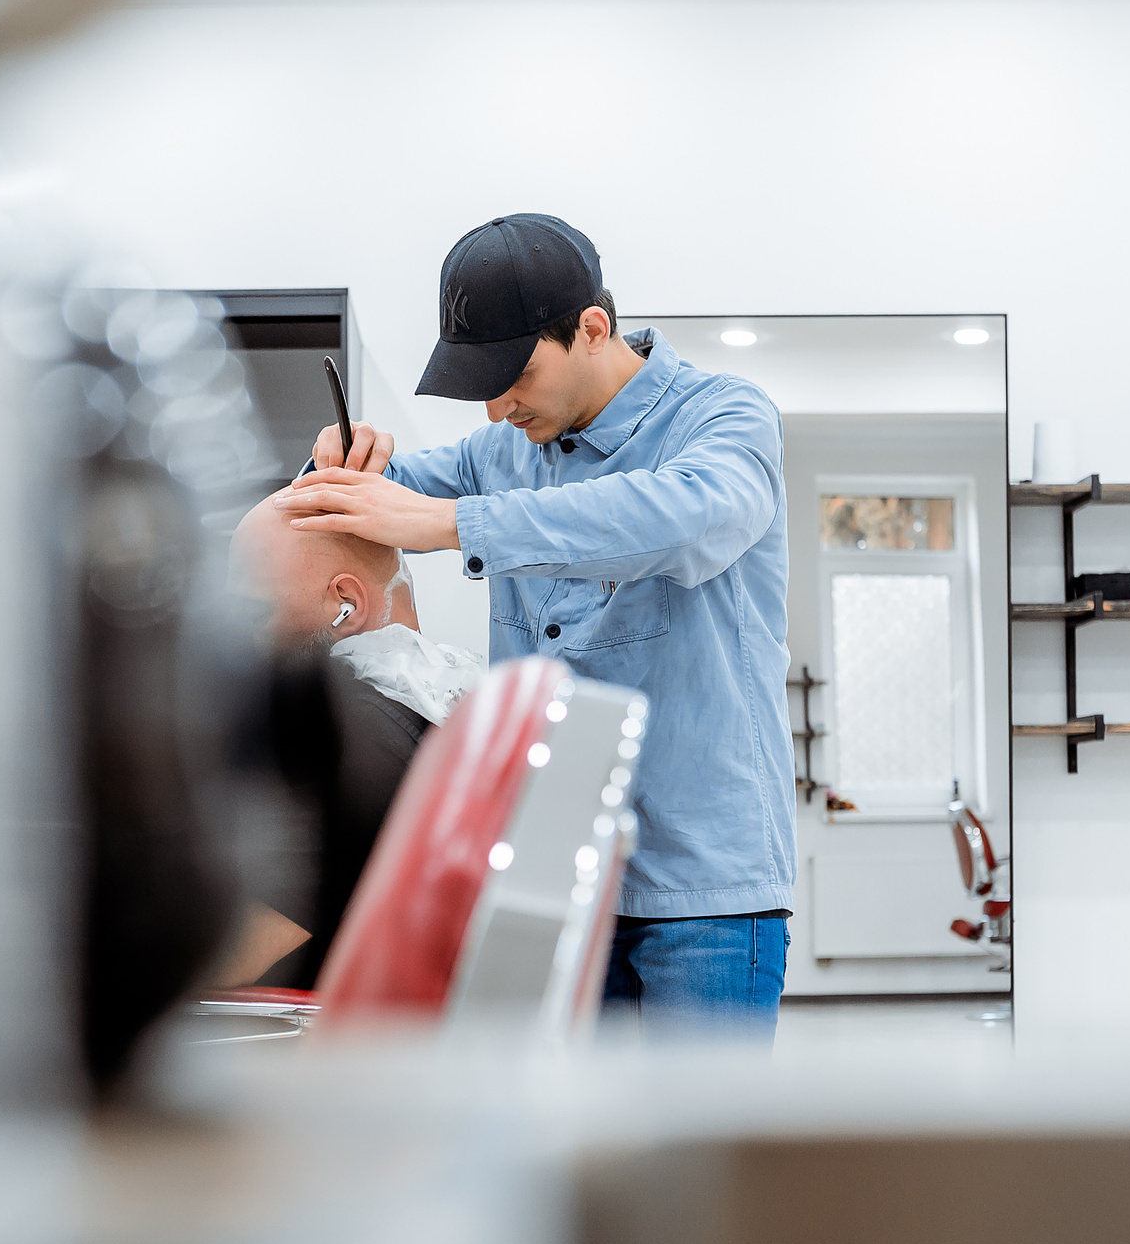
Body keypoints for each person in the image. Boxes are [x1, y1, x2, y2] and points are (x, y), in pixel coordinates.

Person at [280, 214, 793, 1041]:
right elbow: (371, 500)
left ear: (593, 327)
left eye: (513, 373)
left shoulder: (724, 418)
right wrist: (334, 472)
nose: (495, 404)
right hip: (558, 886)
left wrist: (454, 524)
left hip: (704, 890)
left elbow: (692, 514)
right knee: (568, 1154)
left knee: (695, 1158)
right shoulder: (500, 451)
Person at [209, 490, 485, 989]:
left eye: (255, 616)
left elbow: (230, 955)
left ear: (348, 604)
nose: (242, 644)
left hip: (310, 1048)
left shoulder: (336, 737)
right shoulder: (444, 710)